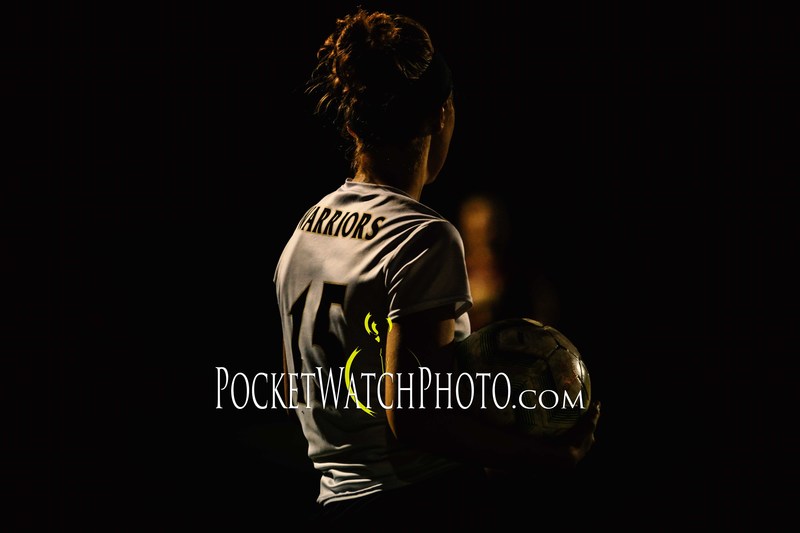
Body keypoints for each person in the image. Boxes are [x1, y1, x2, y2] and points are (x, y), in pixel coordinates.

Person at [273, 8, 600, 528]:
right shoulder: (425, 237)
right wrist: (545, 456)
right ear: (440, 115)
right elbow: (414, 420)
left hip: (332, 504)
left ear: (355, 122)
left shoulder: (304, 233)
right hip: (416, 503)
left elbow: (299, 387)